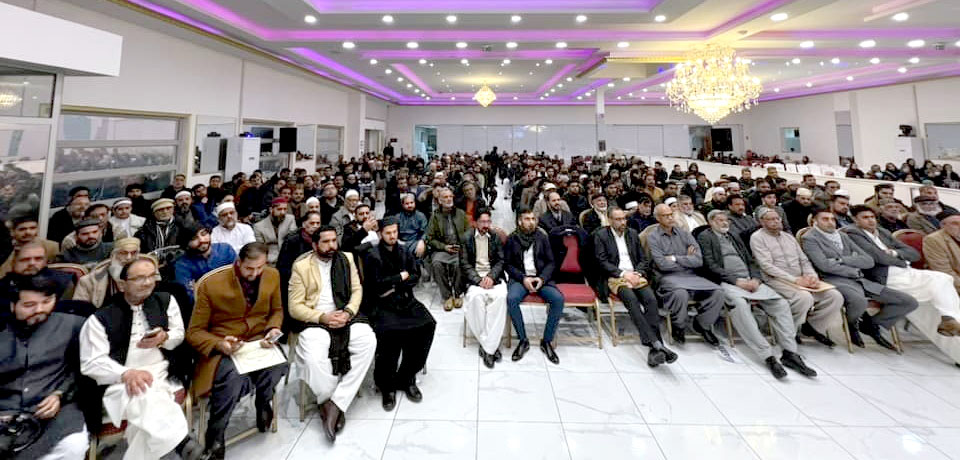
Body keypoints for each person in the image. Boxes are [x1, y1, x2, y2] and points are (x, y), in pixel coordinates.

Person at [79, 256, 205, 460]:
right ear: (122, 284)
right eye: (139, 278)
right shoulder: (100, 318)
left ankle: (182, 445)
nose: (147, 282)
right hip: (119, 384)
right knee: (143, 394)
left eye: (151, 276)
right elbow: (90, 362)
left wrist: (164, 338)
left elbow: (179, 335)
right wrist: (126, 373)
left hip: (162, 373)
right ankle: (183, 443)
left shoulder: (166, 301)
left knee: (144, 416)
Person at [187, 243, 286, 458]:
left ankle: (263, 400)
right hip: (225, 345)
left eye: (260, 268)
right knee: (232, 378)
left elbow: (277, 310)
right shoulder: (212, 285)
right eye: (250, 269)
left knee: (279, 363)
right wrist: (219, 343)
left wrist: (273, 329)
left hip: (258, 340)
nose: (255, 273)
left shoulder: (272, 275)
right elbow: (194, 332)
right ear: (238, 263)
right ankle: (216, 431)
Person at [698, 210, 817, 378]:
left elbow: (750, 260)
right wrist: (736, 281)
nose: (725, 223)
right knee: (740, 306)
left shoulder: (732, 235)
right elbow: (710, 265)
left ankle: (790, 352)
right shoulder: (705, 236)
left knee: (781, 304)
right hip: (728, 281)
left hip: (750, 280)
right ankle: (767, 355)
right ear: (711, 222)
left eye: (727, 221)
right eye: (720, 221)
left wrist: (755, 278)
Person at [288, 226, 375, 442]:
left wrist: (347, 312)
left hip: (346, 314)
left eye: (334, 241)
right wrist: (323, 317)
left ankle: (336, 403)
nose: (331, 246)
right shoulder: (301, 267)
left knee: (367, 341)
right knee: (312, 357)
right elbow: (294, 307)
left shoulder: (346, 258)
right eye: (325, 242)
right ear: (314, 245)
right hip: (316, 319)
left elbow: (357, 291)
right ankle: (327, 400)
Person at [844, 205, 960, 355]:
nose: (871, 221)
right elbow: (878, 257)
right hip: (884, 277)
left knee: (944, 280)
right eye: (865, 218)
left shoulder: (883, 232)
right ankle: (949, 321)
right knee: (937, 288)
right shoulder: (854, 233)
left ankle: (948, 319)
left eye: (872, 217)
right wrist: (900, 258)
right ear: (855, 219)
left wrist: (893, 252)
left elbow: (914, 254)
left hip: (905, 272)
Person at [801, 209, 918, 350]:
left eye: (832, 219)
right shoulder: (810, 238)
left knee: (908, 302)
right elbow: (824, 265)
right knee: (859, 301)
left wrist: (840, 259)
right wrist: (853, 265)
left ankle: (870, 324)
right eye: (825, 219)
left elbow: (868, 261)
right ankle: (851, 324)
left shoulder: (842, 236)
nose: (830, 222)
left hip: (859, 279)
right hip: (834, 279)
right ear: (814, 221)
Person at [0, 275, 88, 460]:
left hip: (55, 412)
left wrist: (60, 394)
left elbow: (85, 369)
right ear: (12, 305)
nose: (39, 310)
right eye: (29, 305)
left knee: (73, 446)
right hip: (6, 412)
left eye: (47, 302)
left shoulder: (73, 325)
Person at [361, 216, 435, 411]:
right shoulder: (372, 255)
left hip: (404, 299)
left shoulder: (403, 250)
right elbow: (375, 285)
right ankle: (387, 385)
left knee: (427, 324)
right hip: (382, 303)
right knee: (390, 333)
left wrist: (394, 283)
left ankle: (407, 376)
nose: (392, 236)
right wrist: (399, 278)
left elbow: (415, 275)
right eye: (388, 233)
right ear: (380, 234)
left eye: (395, 232)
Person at [594, 207, 677, 367]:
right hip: (616, 277)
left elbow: (642, 259)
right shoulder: (601, 235)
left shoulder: (632, 234)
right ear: (610, 220)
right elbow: (602, 262)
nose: (622, 222)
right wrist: (624, 275)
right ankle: (656, 343)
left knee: (651, 300)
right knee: (631, 300)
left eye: (624, 219)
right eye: (618, 219)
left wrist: (637, 273)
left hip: (636, 276)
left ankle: (655, 347)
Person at [749, 208, 844, 345]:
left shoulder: (788, 237)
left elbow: (803, 260)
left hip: (801, 278)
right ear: (762, 222)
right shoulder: (757, 237)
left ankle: (811, 327)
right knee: (803, 298)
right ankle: (787, 332)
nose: (776, 221)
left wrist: (812, 276)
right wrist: (796, 280)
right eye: (771, 219)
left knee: (834, 296)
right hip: (776, 279)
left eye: (778, 218)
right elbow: (767, 266)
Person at [647, 204, 724, 345]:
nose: (670, 218)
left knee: (718, 292)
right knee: (680, 293)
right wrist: (686, 258)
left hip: (691, 276)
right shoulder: (653, 237)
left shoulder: (684, 234)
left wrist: (675, 258)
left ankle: (702, 325)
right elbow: (662, 265)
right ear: (657, 218)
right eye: (665, 216)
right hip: (668, 277)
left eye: (671, 214)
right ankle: (679, 326)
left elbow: (698, 260)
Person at [503, 207, 565, 364]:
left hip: (541, 278)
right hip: (520, 279)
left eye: (533, 219)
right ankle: (523, 340)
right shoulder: (512, 239)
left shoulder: (542, 237)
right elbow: (508, 265)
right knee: (511, 299)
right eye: (527, 219)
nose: (531, 222)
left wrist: (542, 279)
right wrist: (523, 278)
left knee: (558, 299)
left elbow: (551, 262)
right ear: (519, 221)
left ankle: (547, 341)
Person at [460, 209, 508, 368]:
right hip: (475, 279)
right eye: (483, 222)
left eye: (488, 222)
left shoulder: (495, 237)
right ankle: (491, 347)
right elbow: (464, 264)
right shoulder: (466, 238)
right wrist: (478, 280)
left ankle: (487, 346)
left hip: (493, 278)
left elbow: (501, 261)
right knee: (476, 300)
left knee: (500, 299)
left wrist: (491, 277)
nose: (486, 225)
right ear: (475, 222)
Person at [425, 187, 469, 311]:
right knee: (436, 264)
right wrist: (444, 247)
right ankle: (447, 296)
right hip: (442, 249)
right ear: (439, 201)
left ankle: (458, 293)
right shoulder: (435, 216)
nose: (449, 199)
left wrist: (462, 244)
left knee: (459, 263)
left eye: (450, 196)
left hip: (459, 248)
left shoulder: (460, 213)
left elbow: (468, 232)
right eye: (445, 197)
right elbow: (430, 238)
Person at [74, 237, 141, 308]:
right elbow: (79, 313)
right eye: (123, 253)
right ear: (113, 255)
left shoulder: (149, 277)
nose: (129, 258)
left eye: (133, 253)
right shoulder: (89, 281)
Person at [174, 225, 236, 297]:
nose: (201, 240)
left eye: (204, 234)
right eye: (194, 238)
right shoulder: (182, 265)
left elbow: (239, 276)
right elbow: (190, 294)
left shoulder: (225, 249)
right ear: (186, 244)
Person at [253, 198, 296, 265]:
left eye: (285, 209)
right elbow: (260, 248)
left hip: (288, 259)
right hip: (270, 261)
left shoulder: (290, 219)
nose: (283, 212)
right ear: (271, 210)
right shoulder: (259, 226)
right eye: (279, 209)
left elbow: (292, 237)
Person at [396, 193, 428, 258]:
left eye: (411, 202)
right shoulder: (397, 217)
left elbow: (425, 232)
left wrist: (421, 241)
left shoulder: (421, 216)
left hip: (416, 241)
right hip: (402, 242)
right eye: (407, 204)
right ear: (402, 205)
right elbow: (395, 232)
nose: (410, 205)